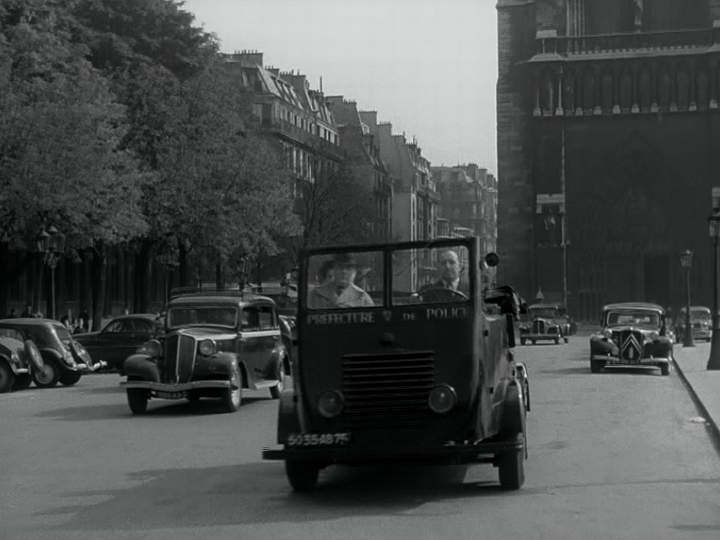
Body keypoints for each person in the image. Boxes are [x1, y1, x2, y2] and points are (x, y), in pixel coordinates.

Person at [307, 253, 374, 309]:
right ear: (334, 269)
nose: (344, 271)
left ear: (355, 272)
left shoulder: (363, 298)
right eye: (340, 267)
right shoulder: (314, 294)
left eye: (349, 267)